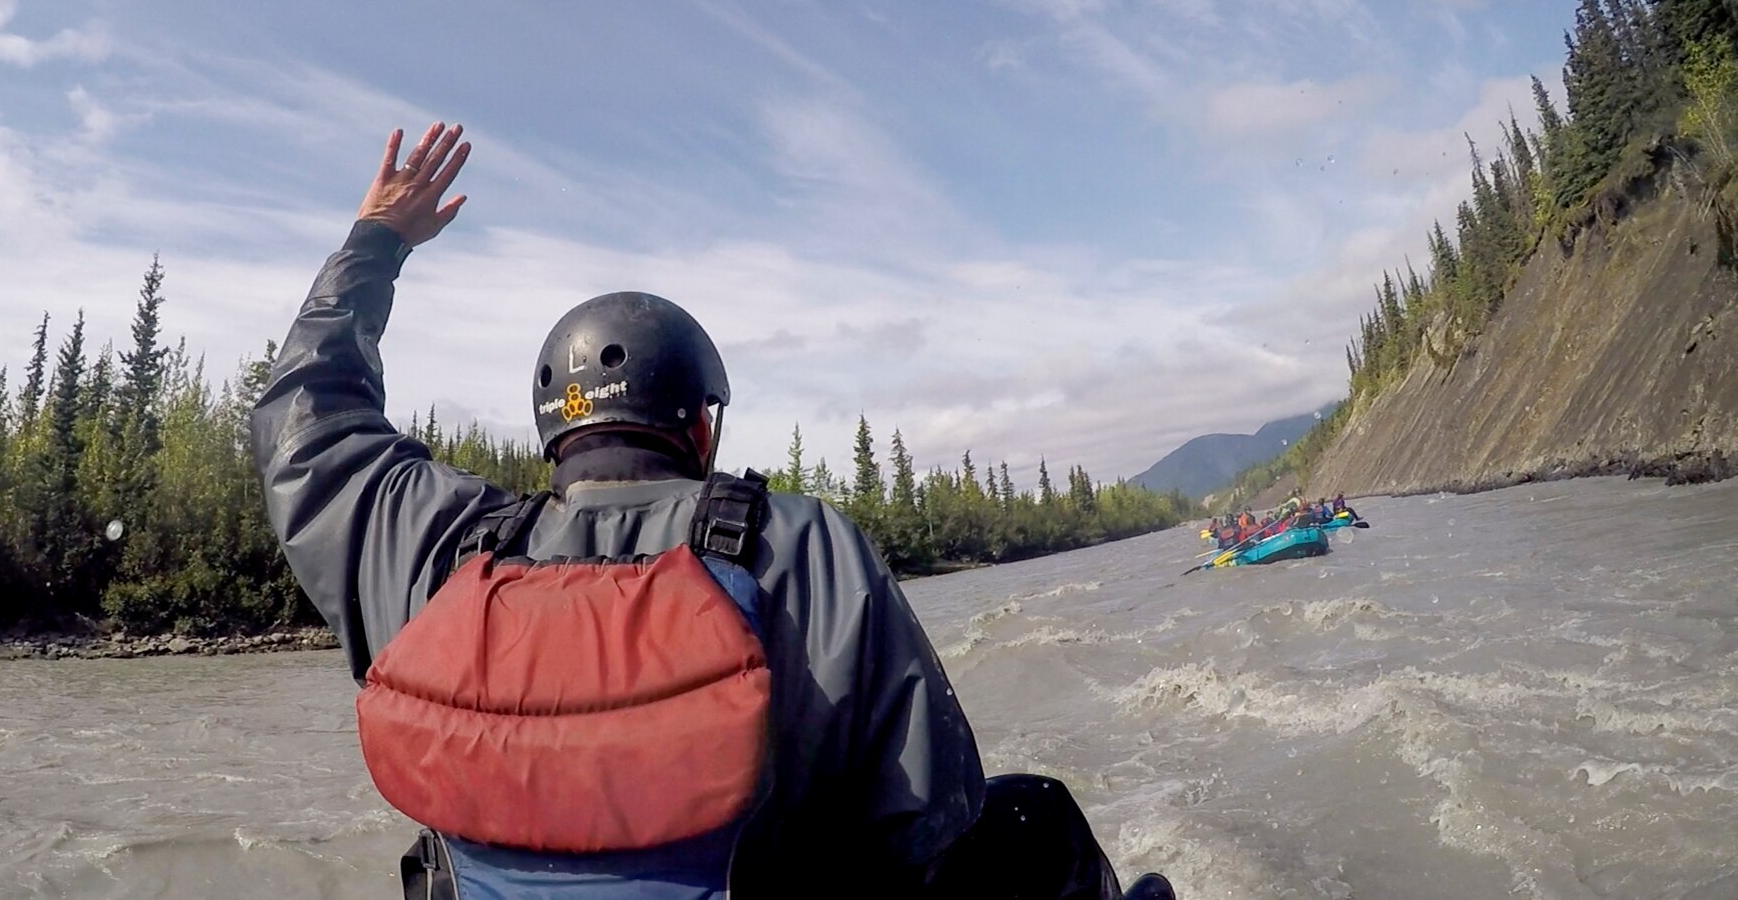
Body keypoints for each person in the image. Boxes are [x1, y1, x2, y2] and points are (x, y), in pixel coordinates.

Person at [250, 122, 1174, 900]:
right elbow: (928, 828)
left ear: (553, 431)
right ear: (698, 427)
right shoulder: (804, 545)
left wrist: (375, 239)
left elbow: (306, 426)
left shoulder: (436, 550)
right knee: (1033, 816)